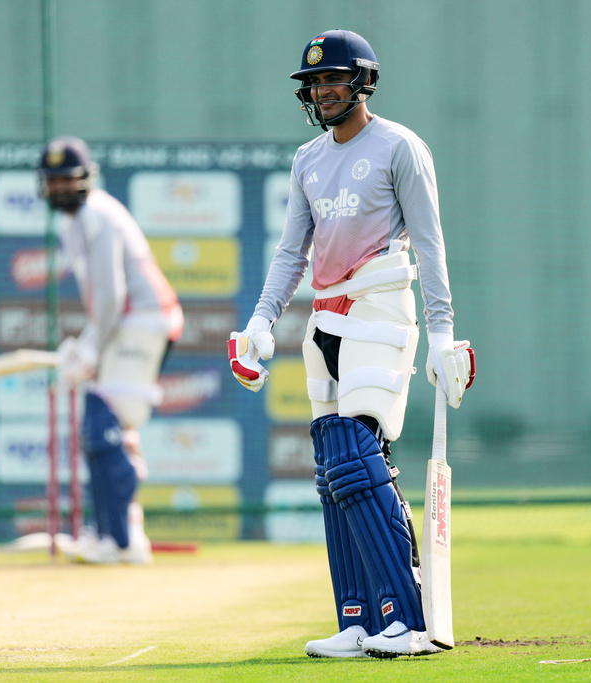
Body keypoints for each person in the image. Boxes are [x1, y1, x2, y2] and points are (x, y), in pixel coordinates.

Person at [228, 30, 475, 658]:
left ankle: (408, 618)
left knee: (360, 454)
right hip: (325, 317)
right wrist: (262, 321)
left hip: (381, 308)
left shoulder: (399, 147)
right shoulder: (307, 159)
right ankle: (359, 619)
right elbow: (291, 252)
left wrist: (442, 332)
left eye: (334, 79)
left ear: (364, 82)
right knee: (334, 467)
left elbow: (430, 243)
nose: (322, 91)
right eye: (314, 83)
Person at [38, 136, 184, 565]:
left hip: (145, 318)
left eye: (68, 179)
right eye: (53, 181)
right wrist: (90, 343)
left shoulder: (97, 214)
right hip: (126, 323)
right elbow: (103, 299)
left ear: (86, 179)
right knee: (112, 429)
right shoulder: (73, 221)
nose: (61, 188)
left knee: (105, 422)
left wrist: (89, 347)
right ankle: (121, 534)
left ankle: (117, 541)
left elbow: (112, 294)